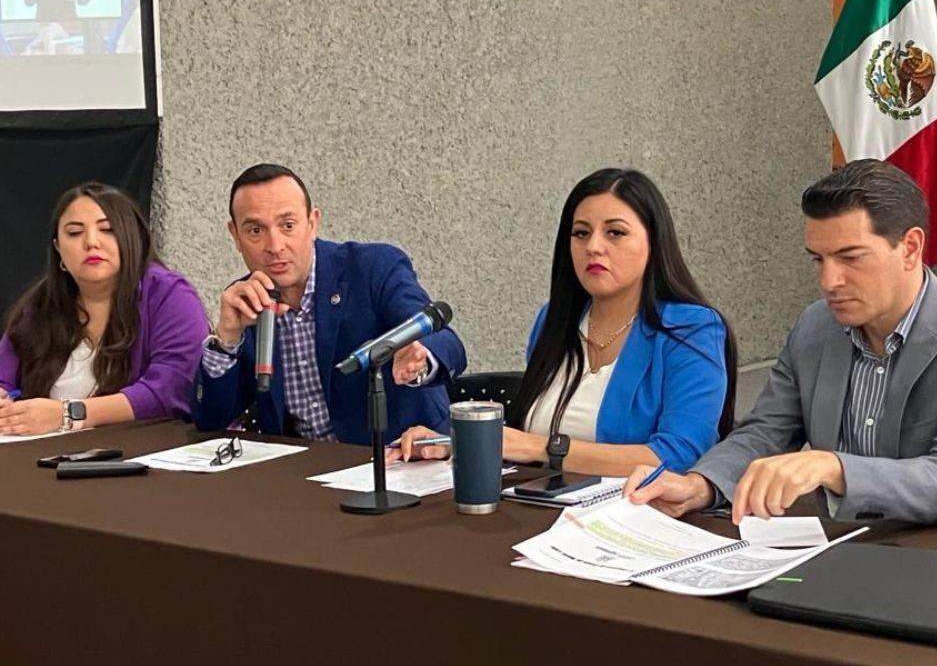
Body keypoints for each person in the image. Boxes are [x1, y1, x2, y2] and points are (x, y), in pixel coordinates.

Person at [627, 159, 937, 528]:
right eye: (818, 260)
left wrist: (833, 467)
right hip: (848, 553)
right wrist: (699, 485)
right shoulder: (815, 327)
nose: (829, 281)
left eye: (850, 258)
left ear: (910, 248)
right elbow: (765, 433)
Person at [394, 168, 735, 477]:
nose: (594, 247)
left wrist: (539, 448)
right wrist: (450, 441)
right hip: (541, 509)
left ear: (653, 241)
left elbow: (679, 455)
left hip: (634, 521)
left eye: (615, 233)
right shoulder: (553, 320)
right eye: (581, 233)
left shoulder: (691, 329)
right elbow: (517, 443)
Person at [191, 163, 466, 445]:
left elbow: (447, 342)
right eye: (255, 230)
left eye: (288, 225)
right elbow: (211, 421)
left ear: (312, 223)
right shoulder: (246, 301)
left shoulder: (373, 268)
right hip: (305, 474)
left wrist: (420, 359)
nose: (274, 245)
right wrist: (226, 342)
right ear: (235, 236)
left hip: (398, 459)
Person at [0, 183, 209, 434]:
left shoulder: (170, 295)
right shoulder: (40, 305)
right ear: (58, 249)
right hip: (44, 457)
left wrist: (68, 414)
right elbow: (3, 378)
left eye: (107, 229)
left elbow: (172, 390)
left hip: (140, 457)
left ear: (132, 238)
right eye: (75, 233)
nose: (91, 242)